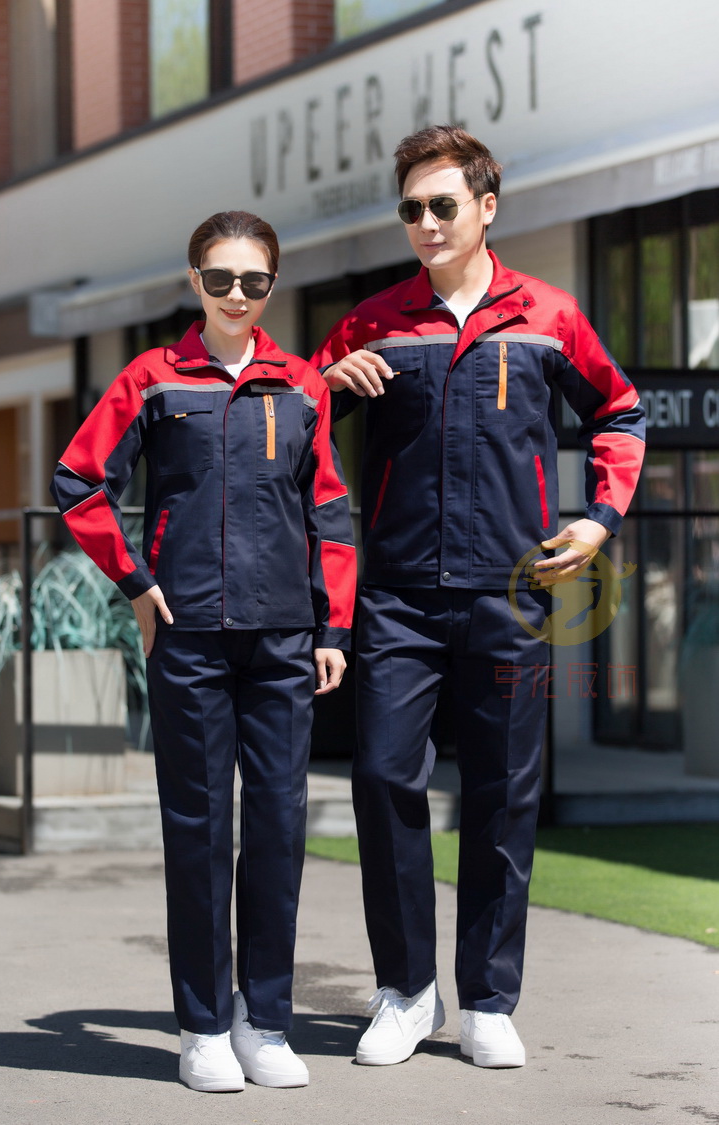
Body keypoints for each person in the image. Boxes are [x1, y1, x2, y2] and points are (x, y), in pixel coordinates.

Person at [311, 126, 645, 1069]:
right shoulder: (375, 321)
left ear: (486, 208)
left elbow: (620, 411)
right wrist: (324, 382)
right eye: (410, 208)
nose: (425, 222)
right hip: (398, 598)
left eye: (442, 205)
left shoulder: (548, 315)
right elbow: (293, 418)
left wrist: (599, 520)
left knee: (502, 791)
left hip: (512, 592)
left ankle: (490, 1000)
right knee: (384, 779)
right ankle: (406, 992)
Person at [51, 210, 357, 1092]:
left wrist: (334, 626)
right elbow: (79, 478)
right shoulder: (153, 378)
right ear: (195, 282)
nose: (236, 295)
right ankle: (203, 1026)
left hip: (283, 641)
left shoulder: (302, 385)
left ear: (272, 286)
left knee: (279, 827)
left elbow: (329, 510)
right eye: (219, 279)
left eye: (253, 281)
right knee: (198, 830)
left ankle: (266, 1021)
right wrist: (135, 581)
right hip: (186, 639)